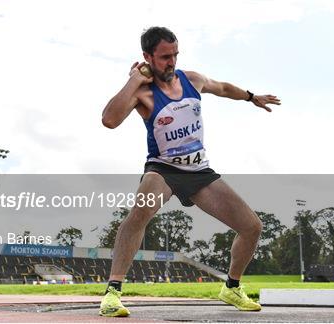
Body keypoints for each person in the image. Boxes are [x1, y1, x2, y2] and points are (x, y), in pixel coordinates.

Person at [100, 27, 281, 317]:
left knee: (252, 226)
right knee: (139, 213)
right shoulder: (143, 92)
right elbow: (109, 120)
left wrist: (250, 96)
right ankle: (112, 292)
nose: (171, 62)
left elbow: (221, 87)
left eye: (175, 55)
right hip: (163, 169)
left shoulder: (192, 80)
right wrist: (133, 80)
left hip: (199, 172)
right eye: (163, 57)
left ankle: (231, 287)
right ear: (147, 57)